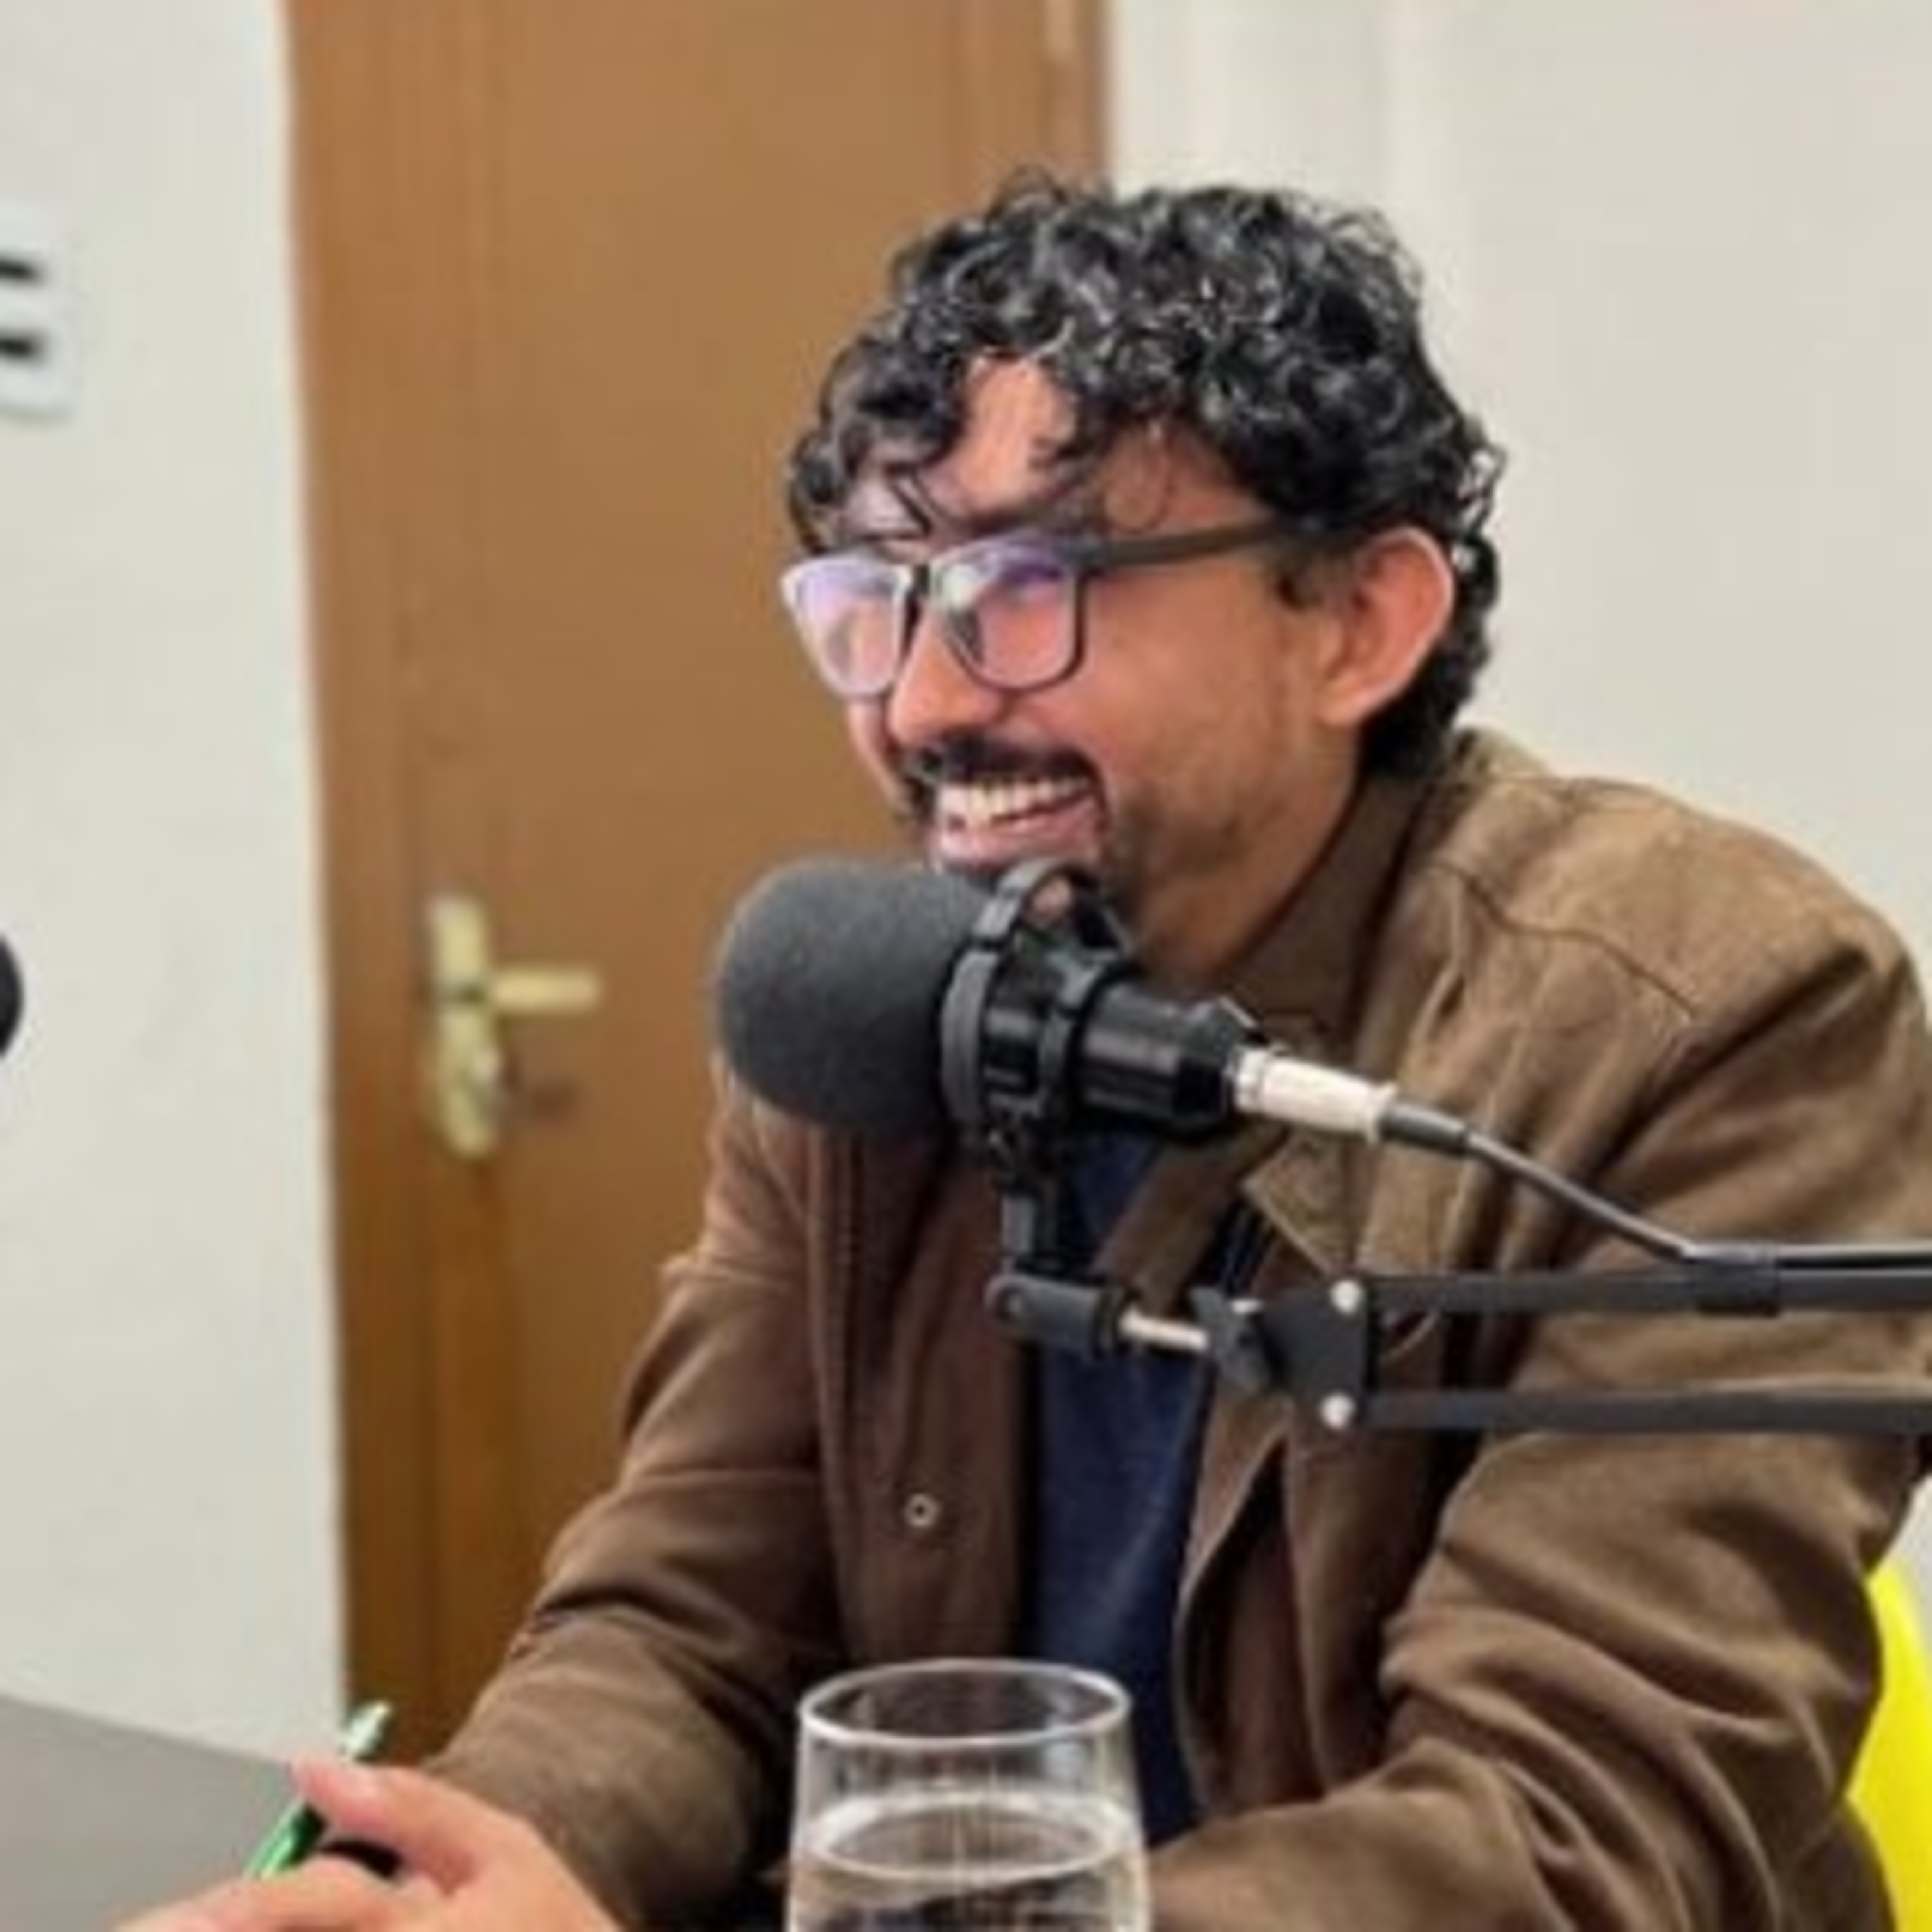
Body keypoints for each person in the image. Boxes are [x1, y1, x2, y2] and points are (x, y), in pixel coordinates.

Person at [127, 172, 1932, 1931]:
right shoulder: (883, 1007)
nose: (921, 703)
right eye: (877, 599)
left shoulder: (1717, 1019)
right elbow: (688, 1627)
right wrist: (482, 1874)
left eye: (1025, 585)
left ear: (1358, 622)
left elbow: (1563, 1843)